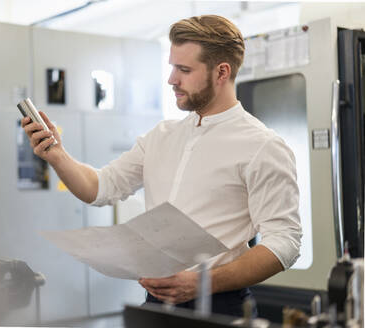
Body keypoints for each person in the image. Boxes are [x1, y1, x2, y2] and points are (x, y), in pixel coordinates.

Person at [22, 15, 302, 317]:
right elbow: (101, 188)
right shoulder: (161, 137)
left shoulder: (262, 145)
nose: (171, 79)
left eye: (184, 69)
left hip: (219, 307)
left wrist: (202, 283)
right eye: (172, 67)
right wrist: (58, 156)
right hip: (156, 305)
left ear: (222, 72)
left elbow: (284, 241)